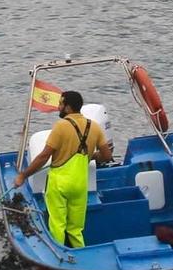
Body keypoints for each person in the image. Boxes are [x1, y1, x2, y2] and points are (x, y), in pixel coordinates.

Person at [12, 90, 112, 249]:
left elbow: (44, 156)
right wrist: (89, 156)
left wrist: (23, 176)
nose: (58, 107)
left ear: (68, 107)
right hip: (80, 185)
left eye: (61, 103)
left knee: (58, 224)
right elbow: (106, 156)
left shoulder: (61, 126)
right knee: (76, 229)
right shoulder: (94, 127)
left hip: (59, 184)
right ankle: (81, 255)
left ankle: (61, 255)